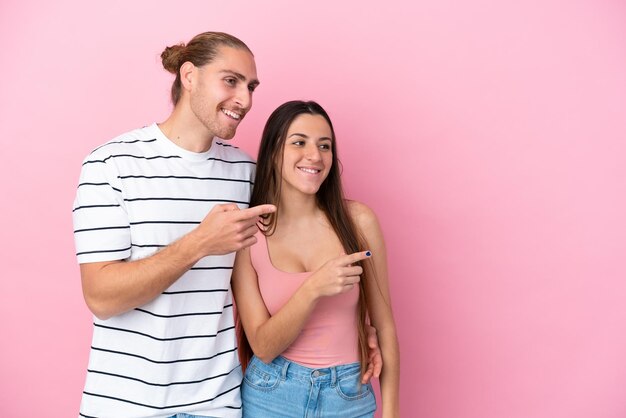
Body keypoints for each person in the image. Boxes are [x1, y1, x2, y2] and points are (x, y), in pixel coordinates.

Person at [73, 32, 380, 418]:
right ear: (189, 76)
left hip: (217, 404)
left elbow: (311, 232)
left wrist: (359, 328)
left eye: (251, 86)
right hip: (125, 405)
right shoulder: (112, 166)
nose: (246, 100)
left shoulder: (247, 175)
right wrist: (199, 243)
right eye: (231, 81)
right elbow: (101, 297)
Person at [232, 100, 400, 417]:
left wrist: (392, 413)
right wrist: (313, 288)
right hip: (271, 395)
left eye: (325, 145)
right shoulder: (248, 235)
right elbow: (264, 346)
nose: (315, 156)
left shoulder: (359, 222)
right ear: (273, 152)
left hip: (348, 396)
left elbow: (385, 326)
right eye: (299, 142)